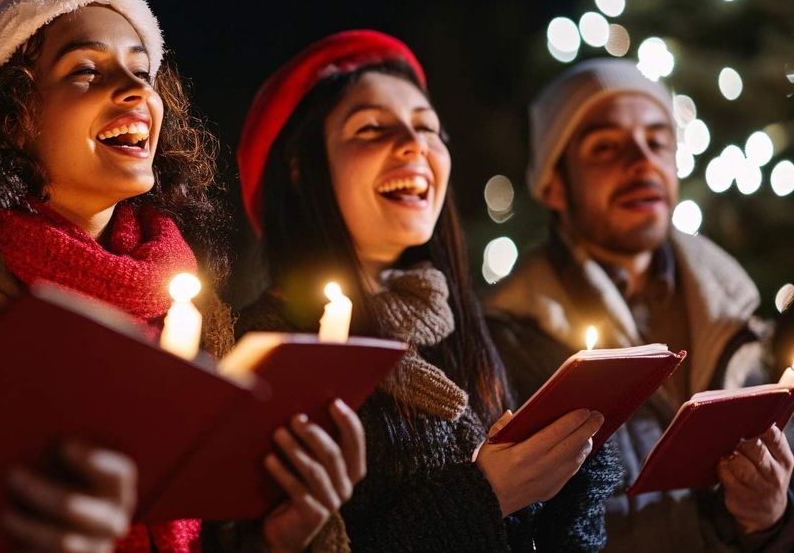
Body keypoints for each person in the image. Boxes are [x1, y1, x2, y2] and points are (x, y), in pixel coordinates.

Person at [0, 0, 365, 552]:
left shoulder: (191, 308)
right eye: (85, 70)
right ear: (6, 117)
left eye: (142, 70)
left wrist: (281, 538)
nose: (136, 91)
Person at [234, 30, 621, 551]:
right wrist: (485, 496)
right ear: (301, 171)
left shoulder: (475, 334)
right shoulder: (267, 350)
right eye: (372, 128)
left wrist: (574, 478)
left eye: (428, 127)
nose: (414, 143)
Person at [484, 58, 794, 551]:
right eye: (605, 147)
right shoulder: (510, 343)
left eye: (657, 141)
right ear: (554, 184)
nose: (641, 162)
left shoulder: (740, 320)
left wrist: (770, 520)